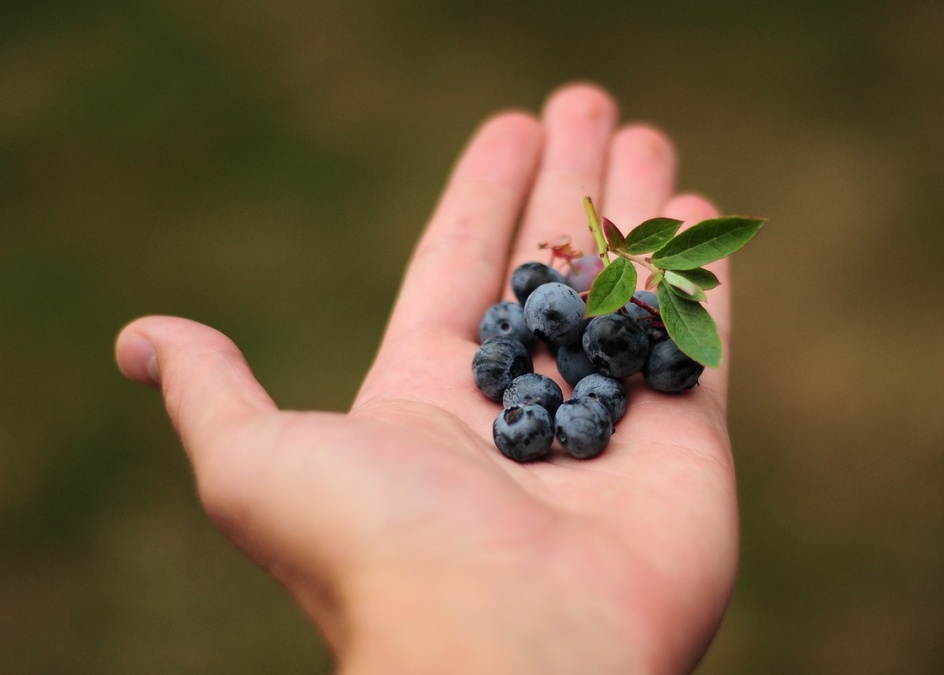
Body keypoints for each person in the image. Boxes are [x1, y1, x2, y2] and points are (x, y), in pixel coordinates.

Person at [114, 82, 740, 674]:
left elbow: (588, 353)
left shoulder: (584, 351)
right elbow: (558, 342)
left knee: (594, 359)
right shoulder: (544, 348)